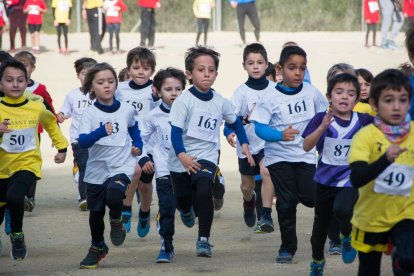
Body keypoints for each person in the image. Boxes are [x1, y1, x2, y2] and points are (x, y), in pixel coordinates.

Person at [169, 46, 254, 257]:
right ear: (189, 74)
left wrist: (244, 143)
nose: (207, 74)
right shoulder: (183, 102)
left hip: (206, 156)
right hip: (181, 159)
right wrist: (182, 156)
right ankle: (186, 210)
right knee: (183, 200)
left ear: (216, 73)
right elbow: (175, 133)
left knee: (205, 190)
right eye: (201, 70)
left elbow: (236, 123)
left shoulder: (221, 102)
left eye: (211, 70)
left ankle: (204, 239)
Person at [249, 45, 328, 264]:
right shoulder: (269, 96)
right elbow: (259, 128)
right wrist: (279, 135)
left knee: (311, 197)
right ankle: (287, 247)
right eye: (292, 68)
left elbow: (325, 116)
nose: (298, 73)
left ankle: (324, 235)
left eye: (302, 68)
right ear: (279, 69)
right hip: (278, 158)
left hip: (304, 156)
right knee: (286, 202)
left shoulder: (312, 93)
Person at [302, 73, 373, 275]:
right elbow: (307, 146)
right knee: (320, 229)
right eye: (339, 92)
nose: (344, 97)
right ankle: (317, 260)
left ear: (357, 99)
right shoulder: (320, 119)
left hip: (350, 181)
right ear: (329, 96)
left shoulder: (364, 120)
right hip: (324, 182)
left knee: (343, 210)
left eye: (351, 93)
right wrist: (323, 126)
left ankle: (346, 235)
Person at [0, 59, 68, 261]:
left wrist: (62, 147)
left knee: (15, 197)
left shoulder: (35, 107)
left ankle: (17, 234)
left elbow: (51, 123)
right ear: (0, 84)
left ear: (26, 81)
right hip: (2, 168)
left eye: (20, 80)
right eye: (9, 80)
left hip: (27, 164)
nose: (15, 84)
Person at [77, 62, 143, 269]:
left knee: (115, 196)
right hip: (97, 168)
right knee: (95, 212)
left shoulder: (126, 110)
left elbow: (134, 128)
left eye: (110, 81)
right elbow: (83, 141)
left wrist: (138, 144)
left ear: (116, 83)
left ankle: (116, 220)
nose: (106, 86)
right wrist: (100, 132)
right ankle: (97, 247)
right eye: (100, 82)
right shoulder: (89, 114)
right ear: (91, 87)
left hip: (121, 164)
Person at [349, 69, 414, 276]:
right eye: (389, 100)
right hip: (371, 216)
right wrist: (384, 160)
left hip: (406, 213)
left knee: (408, 258)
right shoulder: (365, 136)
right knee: (368, 271)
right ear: (375, 104)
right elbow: (357, 178)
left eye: (403, 100)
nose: (397, 107)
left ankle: (399, 260)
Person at [224, 43, 275, 233]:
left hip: (267, 145)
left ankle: (266, 215)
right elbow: (230, 119)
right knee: (247, 186)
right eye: (251, 63)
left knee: (266, 172)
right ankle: (248, 202)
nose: (255, 66)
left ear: (266, 64)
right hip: (246, 146)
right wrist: (229, 132)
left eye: (260, 62)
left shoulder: (275, 90)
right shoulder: (241, 93)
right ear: (244, 65)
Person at [139, 67, 186, 263]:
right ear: (157, 91)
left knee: (187, 202)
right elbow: (139, 138)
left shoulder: (190, 110)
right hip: (165, 169)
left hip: (188, 168)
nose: (174, 93)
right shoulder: (152, 117)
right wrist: (143, 158)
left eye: (178, 88)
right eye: (168, 89)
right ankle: (166, 246)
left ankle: (188, 209)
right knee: (166, 207)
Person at [115, 47, 160, 237]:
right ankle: (126, 209)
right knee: (134, 172)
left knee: (145, 183)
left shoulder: (155, 89)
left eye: (146, 68)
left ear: (152, 70)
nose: (141, 72)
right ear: (128, 69)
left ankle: (144, 211)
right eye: (136, 67)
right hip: (128, 140)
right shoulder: (120, 89)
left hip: (150, 141)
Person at [14, 50, 57, 213]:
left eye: (25, 64)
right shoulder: (7, 86)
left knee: (31, 162)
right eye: (18, 63)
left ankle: (29, 197)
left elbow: (49, 109)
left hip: (33, 132)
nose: (22, 67)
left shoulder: (39, 88)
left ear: (33, 68)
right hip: (11, 130)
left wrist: (55, 133)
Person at [57, 57, 97, 211]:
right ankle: (84, 197)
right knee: (85, 166)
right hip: (78, 139)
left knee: (98, 167)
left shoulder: (102, 94)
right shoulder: (73, 95)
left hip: (99, 139)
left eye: (90, 73)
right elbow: (65, 111)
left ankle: (97, 194)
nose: (86, 77)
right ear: (78, 76)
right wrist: (61, 115)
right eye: (83, 73)